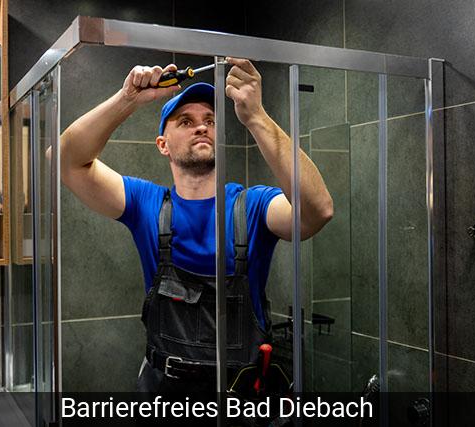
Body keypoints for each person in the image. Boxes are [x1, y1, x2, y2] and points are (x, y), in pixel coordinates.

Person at [60, 58, 334, 393]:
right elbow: (67, 160)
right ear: (163, 144)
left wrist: (256, 116)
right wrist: (126, 100)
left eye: (210, 120)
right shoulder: (147, 204)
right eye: (186, 121)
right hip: (164, 397)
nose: (201, 127)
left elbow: (317, 211)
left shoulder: (253, 206)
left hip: (240, 399)